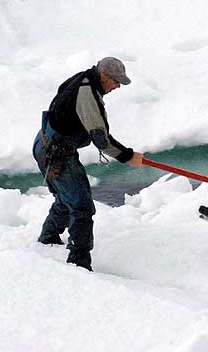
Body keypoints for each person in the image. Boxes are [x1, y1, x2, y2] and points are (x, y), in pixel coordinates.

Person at [32, 57, 143, 271]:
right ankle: (79, 262)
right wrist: (127, 156)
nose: (118, 86)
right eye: (116, 81)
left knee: (67, 198)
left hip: (45, 143)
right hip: (56, 154)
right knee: (82, 206)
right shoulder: (87, 94)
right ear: (103, 76)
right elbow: (101, 139)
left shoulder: (84, 79)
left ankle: (49, 238)